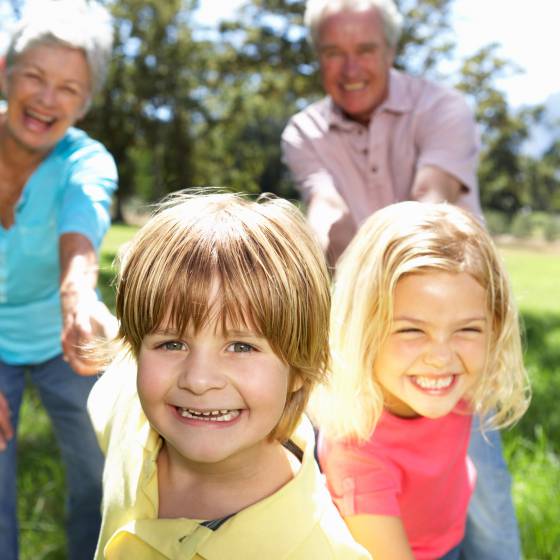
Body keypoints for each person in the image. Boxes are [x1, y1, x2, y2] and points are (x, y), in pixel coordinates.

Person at [282, 2, 521, 558]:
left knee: (481, 494)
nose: (350, 67)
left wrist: (406, 255)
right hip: (382, 338)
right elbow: (323, 203)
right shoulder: (305, 131)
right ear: (317, 58)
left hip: (449, 305)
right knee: (376, 480)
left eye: (364, 49)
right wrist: (308, 255)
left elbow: (433, 193)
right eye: (333, 53)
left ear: (391, 51)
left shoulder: (444, 108)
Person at [87, 192, 371, 559]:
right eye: (172, 344)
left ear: (301, 367)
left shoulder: (321, 551)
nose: (199, 380)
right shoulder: (130, 410)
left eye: (241, 347)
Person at [311, 201, 530, 560]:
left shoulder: (457, 386)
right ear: (362, 329)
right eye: (412, 330)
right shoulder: (356, 451)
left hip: (451, 538)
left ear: (495, 325)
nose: (441, 358)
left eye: (467, 329)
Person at [0, 1, 117, 558]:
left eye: (69, 88)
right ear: (5, 72)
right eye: (35, 77)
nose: (47, 100)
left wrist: (79, 297)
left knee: (98, 474)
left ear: (85, 102)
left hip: (59, 340)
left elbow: (81, 226)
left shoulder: (86, 161)